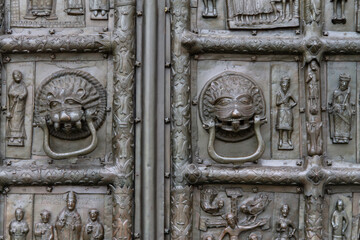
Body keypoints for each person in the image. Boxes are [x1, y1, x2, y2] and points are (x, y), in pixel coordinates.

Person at [328, 74, 353, 144]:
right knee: (338, 123)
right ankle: (337, 137)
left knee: (346, 122)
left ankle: (345, 137)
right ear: (340, 83)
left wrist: (346, 106)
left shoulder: (348, 92)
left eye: (346, 83)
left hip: (345, 111)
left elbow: (348, 102)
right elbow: (333, 103)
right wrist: (337, 106)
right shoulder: (336, 92)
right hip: (338, 111)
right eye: (343, 83)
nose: (344, 85)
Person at [6, 70, 27, 146]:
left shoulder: (22, 85)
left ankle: (19, 137)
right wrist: (14, 94)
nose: (17, 76)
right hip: (13, 105)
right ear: (13, 77)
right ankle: (12, 136)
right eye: (16, 75)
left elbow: (25, 92)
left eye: (19, 75)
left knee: (19, 121)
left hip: (20, 106)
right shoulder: (12, 85)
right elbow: (9, 93)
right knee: (13, 121)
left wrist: (21, 96)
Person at [276, 76, 297, 150]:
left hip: (288, 111)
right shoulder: (279, 93)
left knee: (289, 126)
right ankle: (280, 139)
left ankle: (289, 139)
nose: (285, 86)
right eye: (283, 85)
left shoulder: (289, 94)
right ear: (281, 85)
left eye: (286, 85)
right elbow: (277, 103)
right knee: (281, 126)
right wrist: (282, 101)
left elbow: (295, 102)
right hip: (281, 110)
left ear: (288, 86)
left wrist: (291, 105)